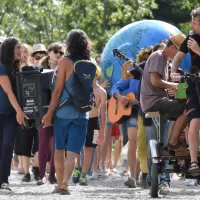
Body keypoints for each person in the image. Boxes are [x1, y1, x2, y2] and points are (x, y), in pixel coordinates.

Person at [42, 29, 93, 195]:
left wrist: (49, 113)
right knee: (72, 152)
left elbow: (57, 91)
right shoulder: (91, 62)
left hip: (64, 111)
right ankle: (65, 184)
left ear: (69, 43)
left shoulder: (65, 61)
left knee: (59, 149)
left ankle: (59, 185)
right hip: (82, 113)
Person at [140, 33, 188, 150]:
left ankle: (170, 144)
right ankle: (173, 142)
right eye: (179, 52)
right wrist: (174, 85)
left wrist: (172, 90)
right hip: (153, 102)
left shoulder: (165, 60)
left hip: (157, 100)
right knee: (189, 108)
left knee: (181, 109)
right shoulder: (158, 56)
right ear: (172, 47)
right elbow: (155, 81)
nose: (179, 56)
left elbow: (160, 84)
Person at [171, 7, 200, 176]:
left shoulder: (195, 44)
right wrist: (173, 71)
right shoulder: (190, 38)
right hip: (194, 84)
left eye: (195, 23)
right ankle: (194, 161)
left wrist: (197, 50)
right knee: (194, 121)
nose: (191, 25)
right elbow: (177, 58)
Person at [0, 37, 28, 190]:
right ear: (9, 49)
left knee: (8, 145)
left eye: (21, 47)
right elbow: (9, 92)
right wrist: (20, 111)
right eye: (17, 47)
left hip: (11, 114)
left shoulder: (16, 68)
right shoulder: (1, 67)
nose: (20, 50)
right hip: (4, 113)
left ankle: (4, 180)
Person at [72, 65, 107, 186]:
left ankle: (83, 174)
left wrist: (102, 132)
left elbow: (103, 113)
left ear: (96, 76)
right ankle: (78, 166)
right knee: (77, 146)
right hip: (81, 120)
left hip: (94, 123)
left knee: (89, 148)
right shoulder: (81, 89)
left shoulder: (102, 92)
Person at [37, 42, 65, 185]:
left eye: (61, 52)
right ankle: (42, 175)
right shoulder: (39, 70)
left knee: (56, 144)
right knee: (43, 143)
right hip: (42, 111)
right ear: (48, 52)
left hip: (60, 110)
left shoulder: (65, 69)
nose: (58, 54)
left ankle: (53, 175)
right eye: (56, 51)